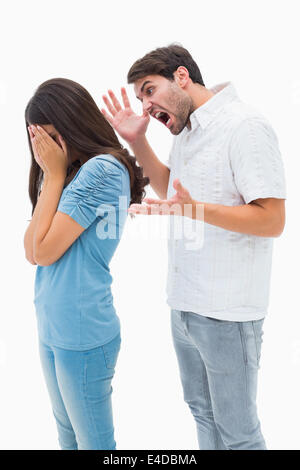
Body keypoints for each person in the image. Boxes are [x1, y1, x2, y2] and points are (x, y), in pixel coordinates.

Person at [101, 44, 287, 450]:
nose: (145, 106)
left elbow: (272, 220)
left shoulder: (245, 126)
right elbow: (174, 192)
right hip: (185, 307)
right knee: (203, 414)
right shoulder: (186, 130)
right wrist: (137, 142)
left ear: (181, 76)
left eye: (149, 90)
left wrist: (195, 210)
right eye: (140, 98)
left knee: (239, 434)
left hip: (227, 313)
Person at [23, 78, 149, 450]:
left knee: (95, 444)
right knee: (67, 437)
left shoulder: (103, 170)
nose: (42, 150)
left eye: (48, 137)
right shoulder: (69, 171)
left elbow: (43, 251)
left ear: (71, 123)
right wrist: (53, 175)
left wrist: (55, 174)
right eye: (35, 139)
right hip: (53, 327)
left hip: (82, 333)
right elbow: (31, 251)